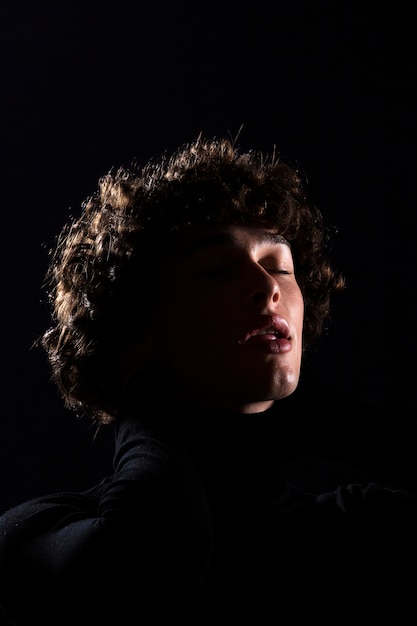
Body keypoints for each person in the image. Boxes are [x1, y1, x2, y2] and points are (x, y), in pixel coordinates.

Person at [0, 134, 416, 625]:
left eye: (280, 266)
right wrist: (145, 397)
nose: (266, 287)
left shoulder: (367, 533)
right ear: (135, 327)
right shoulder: (36, 533)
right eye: (217, 270)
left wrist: (324, 414)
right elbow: (150, 564)